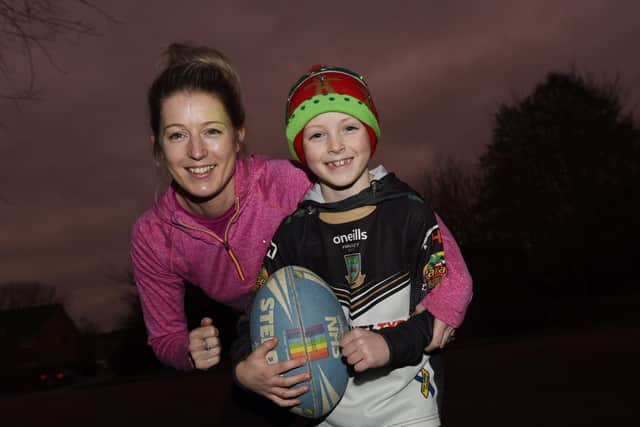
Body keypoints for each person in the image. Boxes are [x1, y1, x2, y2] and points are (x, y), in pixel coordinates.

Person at [130, 43, 470, 424]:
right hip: (266, 340)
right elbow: (165, 338)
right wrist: (193, 351)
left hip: (350, 331)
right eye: (177, 135)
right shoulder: (154, 236)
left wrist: (442, 310)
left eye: (211, 131)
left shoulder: (290, 185)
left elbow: (425, 236)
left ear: (238, 135)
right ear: (156, 144)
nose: (197, 152)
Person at [233, 65, 473, 427]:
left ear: (370, 132)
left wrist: (389, 345)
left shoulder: (408, 212)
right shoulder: (292, 234)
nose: (335, 145)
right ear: (300, 149)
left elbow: (440, 315)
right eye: (316, 134)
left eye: (349, 127)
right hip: (328, 413)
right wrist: (244, 367)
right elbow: (252, 319)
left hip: (407, 407)